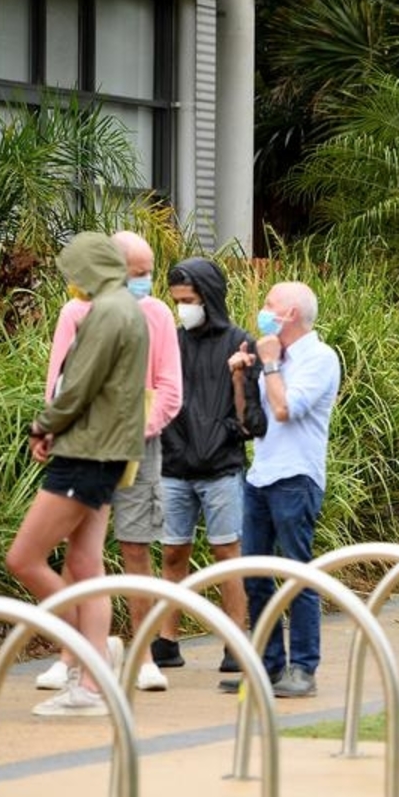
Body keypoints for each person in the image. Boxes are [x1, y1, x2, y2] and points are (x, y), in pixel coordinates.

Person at [6, 231, 149, 716]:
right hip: (104, 451)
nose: (71, 282)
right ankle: (90, 683)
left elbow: (77, 387)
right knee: (87, 567)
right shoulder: (124, 308)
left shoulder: (107, 311)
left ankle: (92, 653)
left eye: (73, 272)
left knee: (24, 558)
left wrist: (43, 425)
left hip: (87, 453)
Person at [35, 230, 182, 695]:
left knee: (136, 547)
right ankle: (71, 654)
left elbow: (170, 387)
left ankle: (143, 656)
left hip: (139, 442)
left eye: (149, 272)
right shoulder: (76, 312)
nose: (145, 281)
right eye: (137, 272)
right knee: (80, 551)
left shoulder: (157, 313)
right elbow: (60, 383)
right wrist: (54, 429)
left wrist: (134, 429)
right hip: (85, 445)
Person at [221, 282, 340, 698]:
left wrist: (270, 364)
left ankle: (303, 668)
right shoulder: (274, 359)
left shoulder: (320, 358)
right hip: (260, 476)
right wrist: (240, 377)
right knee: (254, 575)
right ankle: (269, 666)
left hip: (297, 477)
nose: (263, 311)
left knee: (297, 574)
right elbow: (250, 421)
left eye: (270, 304)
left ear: (290, 314)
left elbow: (286, 409)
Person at [152, 258, 267, 673]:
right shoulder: (171, 342)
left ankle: (236, 640)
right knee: (172, 552)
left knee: (227, 554)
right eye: (177, 300)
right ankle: (166, 639)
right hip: (174, 467)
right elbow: (159, 397)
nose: (183, 308)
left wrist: (238, 379)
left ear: (210, 297)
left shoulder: (241, 343)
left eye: (189, 300)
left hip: (222, 467)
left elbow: (250, 420)